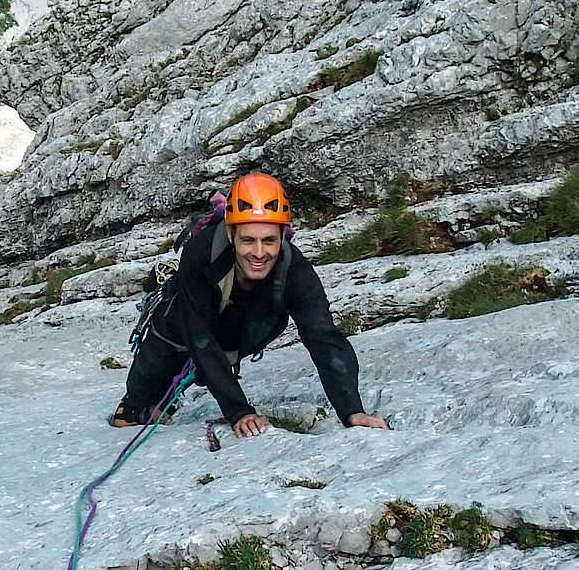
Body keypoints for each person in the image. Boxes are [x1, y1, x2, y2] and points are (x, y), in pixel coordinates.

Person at [112, 172, 391, 437]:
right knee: (136, 407)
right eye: (248, 240)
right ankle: (141, 397)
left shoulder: (294, 271)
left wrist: (352, 411)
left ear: (283, 236)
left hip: (240, 330)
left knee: (215, 350)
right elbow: (200, 336)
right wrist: (239, 411)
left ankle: (178, 387)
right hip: (185, 324)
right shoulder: (202, 253)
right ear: (231, 235)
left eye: (269, 240)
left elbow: (323, 337)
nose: (259, 253)